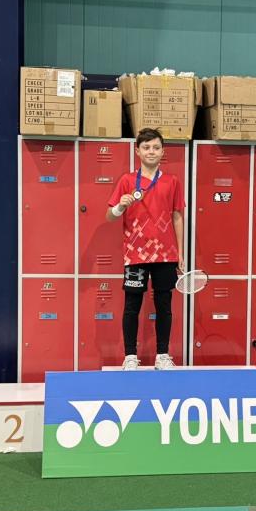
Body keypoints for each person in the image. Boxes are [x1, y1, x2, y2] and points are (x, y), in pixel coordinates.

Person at [107, 128, 185, 370]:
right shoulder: (127, 180)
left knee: (164, 305)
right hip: (136, 254)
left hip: (165, 254)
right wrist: (120, 206)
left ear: (163, 151)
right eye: (146, 147)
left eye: (156, 147)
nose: (151, 151)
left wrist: (180, 253)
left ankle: (162, 355)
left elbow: (177, 216)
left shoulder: (172, 181)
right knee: (132, 306)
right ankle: (130, 356)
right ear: (137, 151)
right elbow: (110, 216)